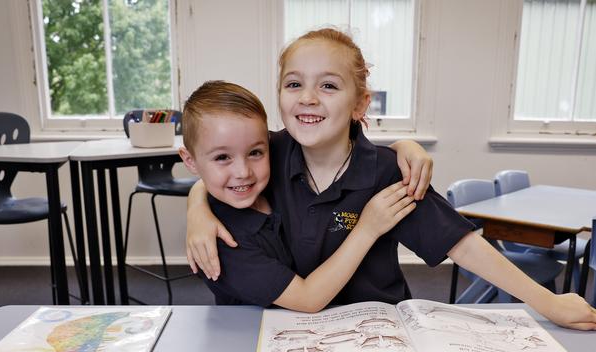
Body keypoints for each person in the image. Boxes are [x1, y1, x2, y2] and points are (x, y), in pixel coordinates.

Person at [186, 28, 596, 330]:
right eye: (294, 84)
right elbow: (222, 172)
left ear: (361, 102)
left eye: (328, 85)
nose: (308, 97)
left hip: (380, 329)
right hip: (289, 331)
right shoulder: (267, 152)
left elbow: (462, 245)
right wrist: (196, 206)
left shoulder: (387, 170)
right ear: (279, 94)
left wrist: (548, 302)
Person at [179, 80, 416, 312]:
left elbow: (343, 142)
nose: (243, 172)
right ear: (190, 160)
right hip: (251, 342)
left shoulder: (275, 167)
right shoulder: (221, 242)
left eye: (255, 153)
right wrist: (368, 228)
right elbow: (307, 300)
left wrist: (402, 147)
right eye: (222, 158)